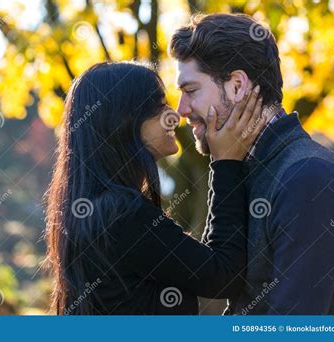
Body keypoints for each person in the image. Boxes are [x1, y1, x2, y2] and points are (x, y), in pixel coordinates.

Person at [169, 13, 334, 314]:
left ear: (237, 85)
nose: (181, 110)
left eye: (190, 90)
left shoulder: (307, 178)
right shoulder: (248, 169)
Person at [44, 61, 265, 314]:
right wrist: (226, 163)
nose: (175, 114)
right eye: (160, 106)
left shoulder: (99, 211)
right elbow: (223, 275)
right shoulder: (125, 215)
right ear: (123, 120)